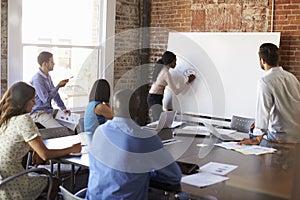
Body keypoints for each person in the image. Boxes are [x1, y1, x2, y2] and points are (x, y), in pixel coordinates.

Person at [86, 89, 182, 200]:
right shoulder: (144, 138)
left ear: (112, 109)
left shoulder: (100, 131)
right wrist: (146, 172)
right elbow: (174, 176)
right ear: (137, 111)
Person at [0, 82, 81, 200]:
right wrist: (72, 148)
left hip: (3, 180)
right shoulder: (24, 119)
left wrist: (34, 150)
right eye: (32, 100)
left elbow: (15, 143)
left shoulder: (5, 119)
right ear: (23, 101)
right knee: (54, 181)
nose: (35, 103)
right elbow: (45, 155)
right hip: (14, 183)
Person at [239, 43, 300, 145]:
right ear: (277, 59)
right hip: (296, 136)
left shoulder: (265, 81)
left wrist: (257, 138)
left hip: (278, 138)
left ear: (262, 60)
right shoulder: (292, 78)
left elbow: (263, 111)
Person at [148, 51, 196, 121]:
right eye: (174, 62)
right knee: (158, 121)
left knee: (159, 120)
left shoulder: (162, 68)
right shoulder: (166, 73)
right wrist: (188, 81)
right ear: (170, 61)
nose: (176, 64)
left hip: (154, 97)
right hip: (155, 98)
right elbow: (176, 91)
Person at [30, 51, 71, 128]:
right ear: (45, 64)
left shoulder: (47, 76)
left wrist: (63, 108)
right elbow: (45, 99)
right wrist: (58, 86)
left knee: (72, 123)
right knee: (60, 129)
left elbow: (55, 95)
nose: (54, 63)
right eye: (52, 62)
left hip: (48, 111)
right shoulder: (37, 79)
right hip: (39, 113)